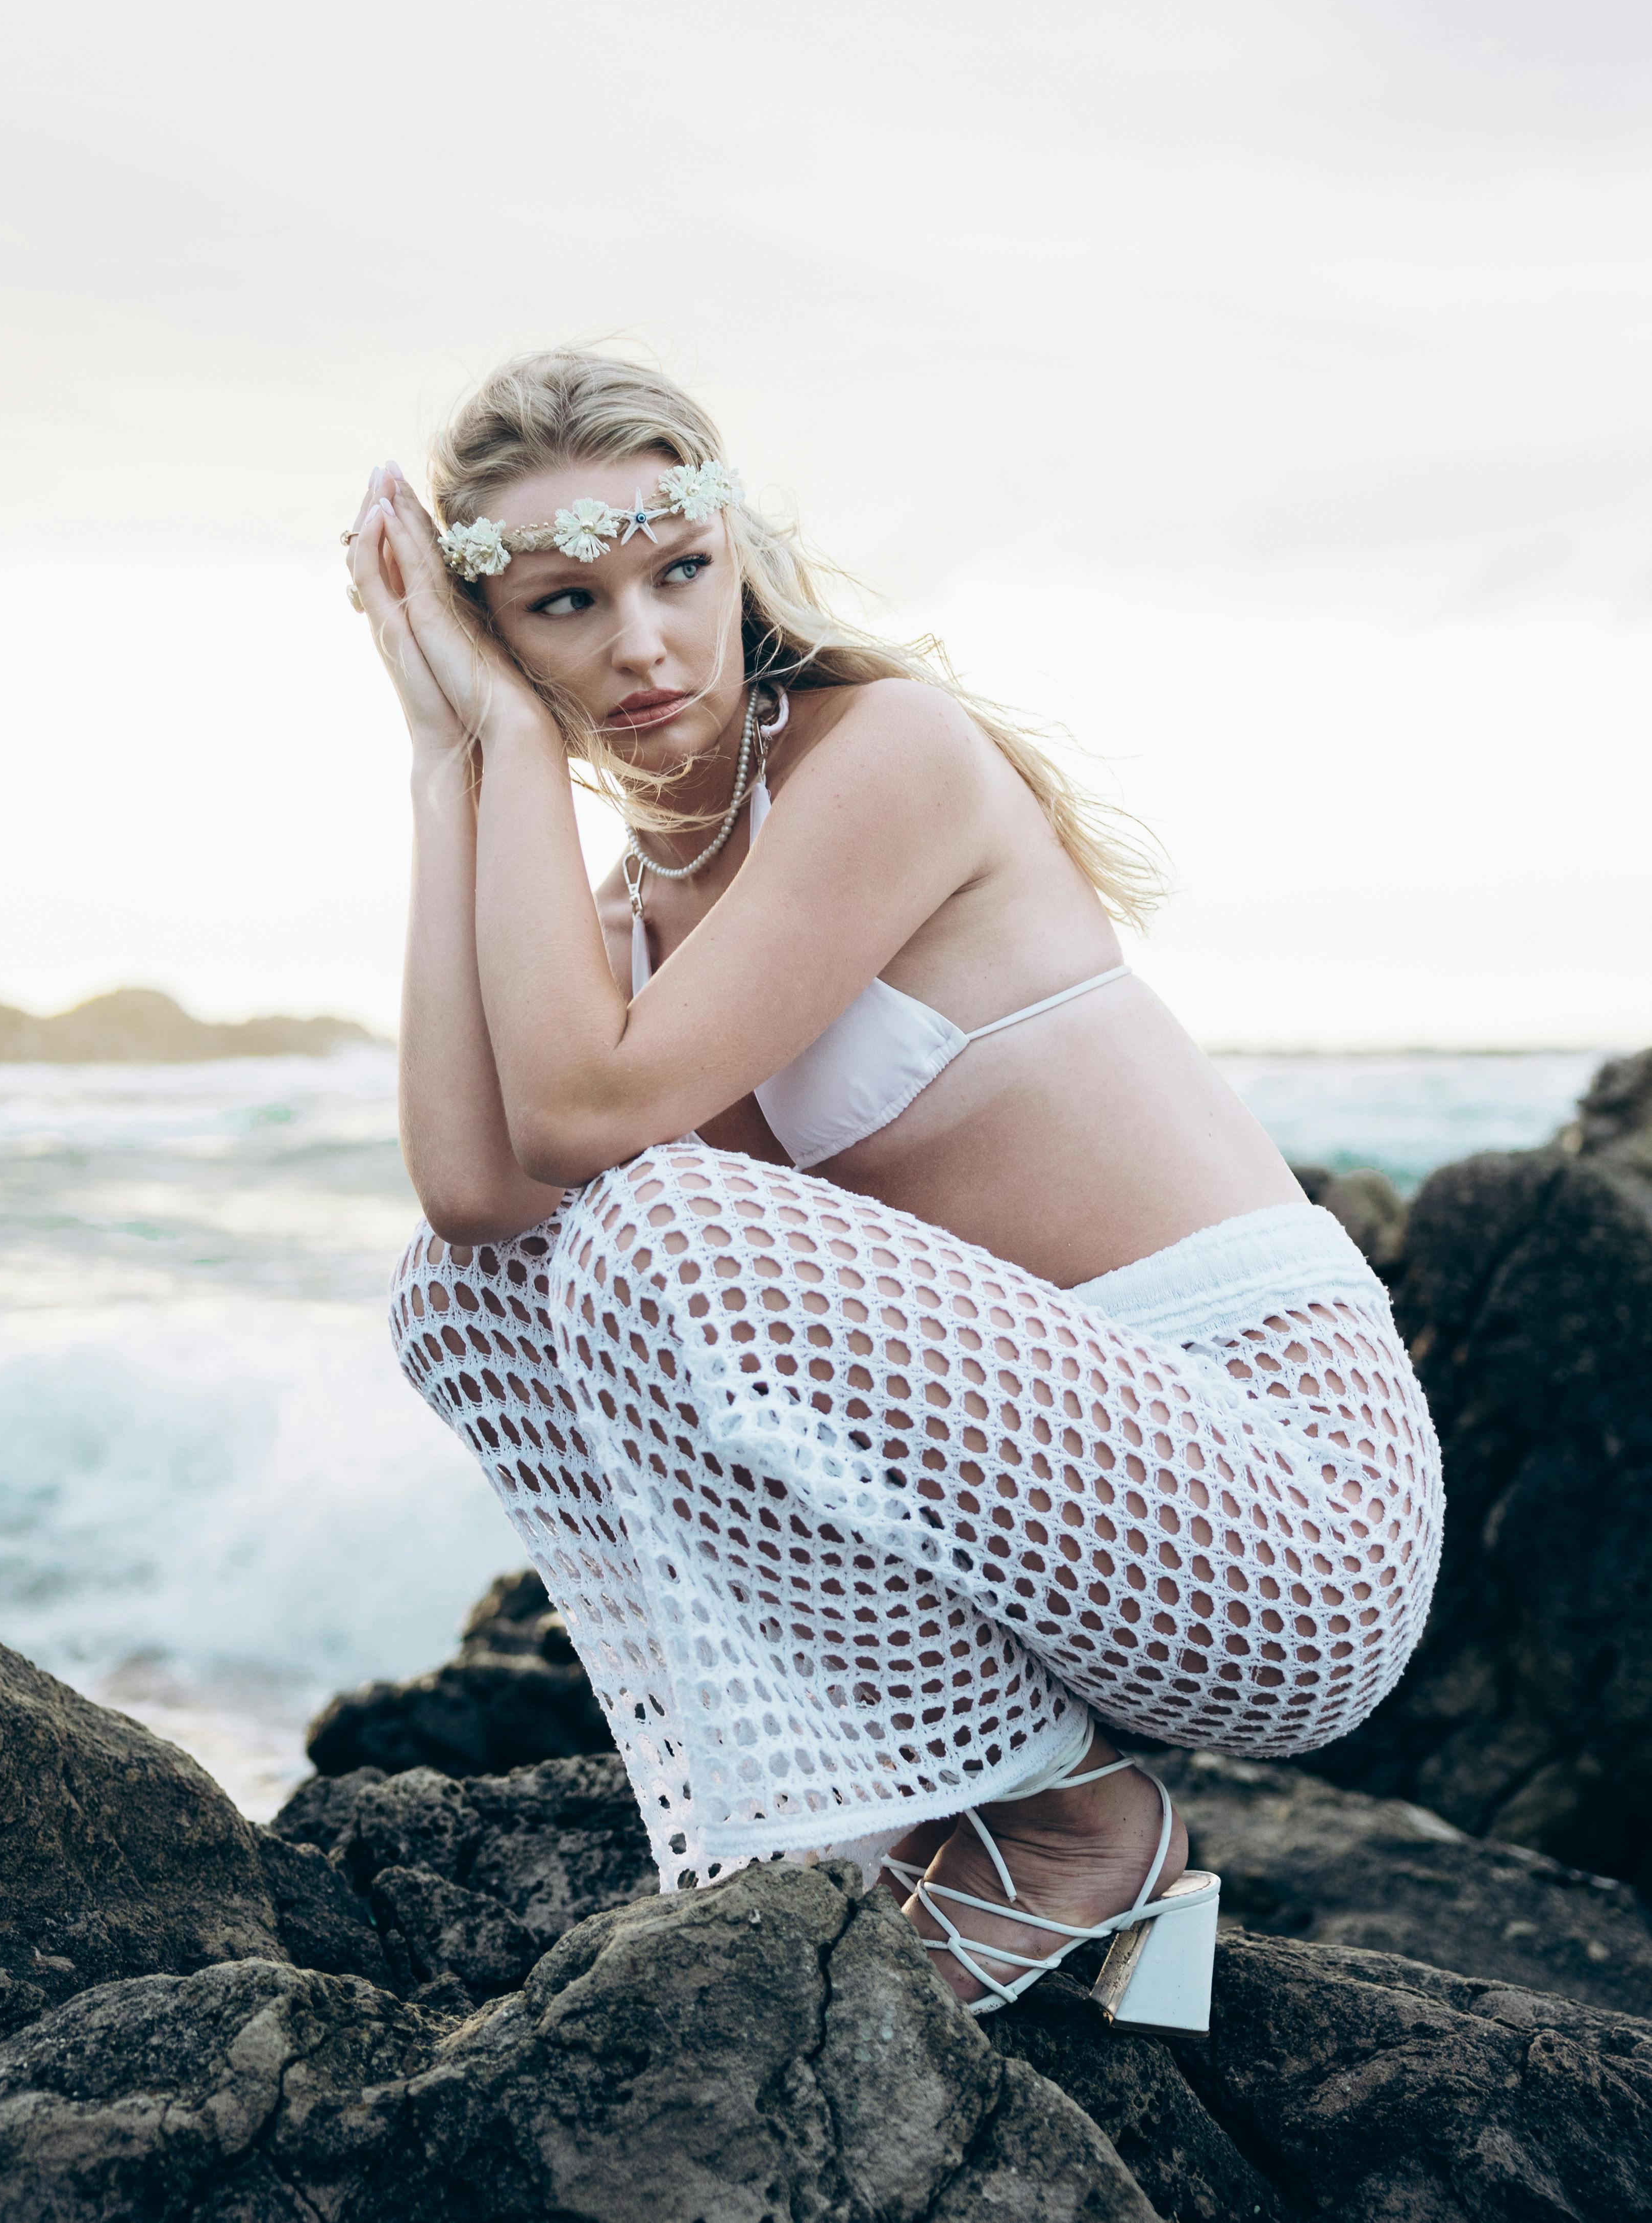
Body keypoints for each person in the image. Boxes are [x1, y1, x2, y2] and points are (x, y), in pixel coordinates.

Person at [345, 348, 1441, 2029]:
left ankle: (1083, 1824)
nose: (641, 642)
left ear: (738, 558)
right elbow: (479, 1188)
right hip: (1063, 1542)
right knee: (468, 1286)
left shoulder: (890, 758)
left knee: (656, 1220)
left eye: (678, 573)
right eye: (565, 604)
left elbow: (581, 1108)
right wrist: (451, 760)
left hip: (1282, 1506)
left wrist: (506, 720)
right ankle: (932, 1819)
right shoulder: (638, 901)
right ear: (494, 629)